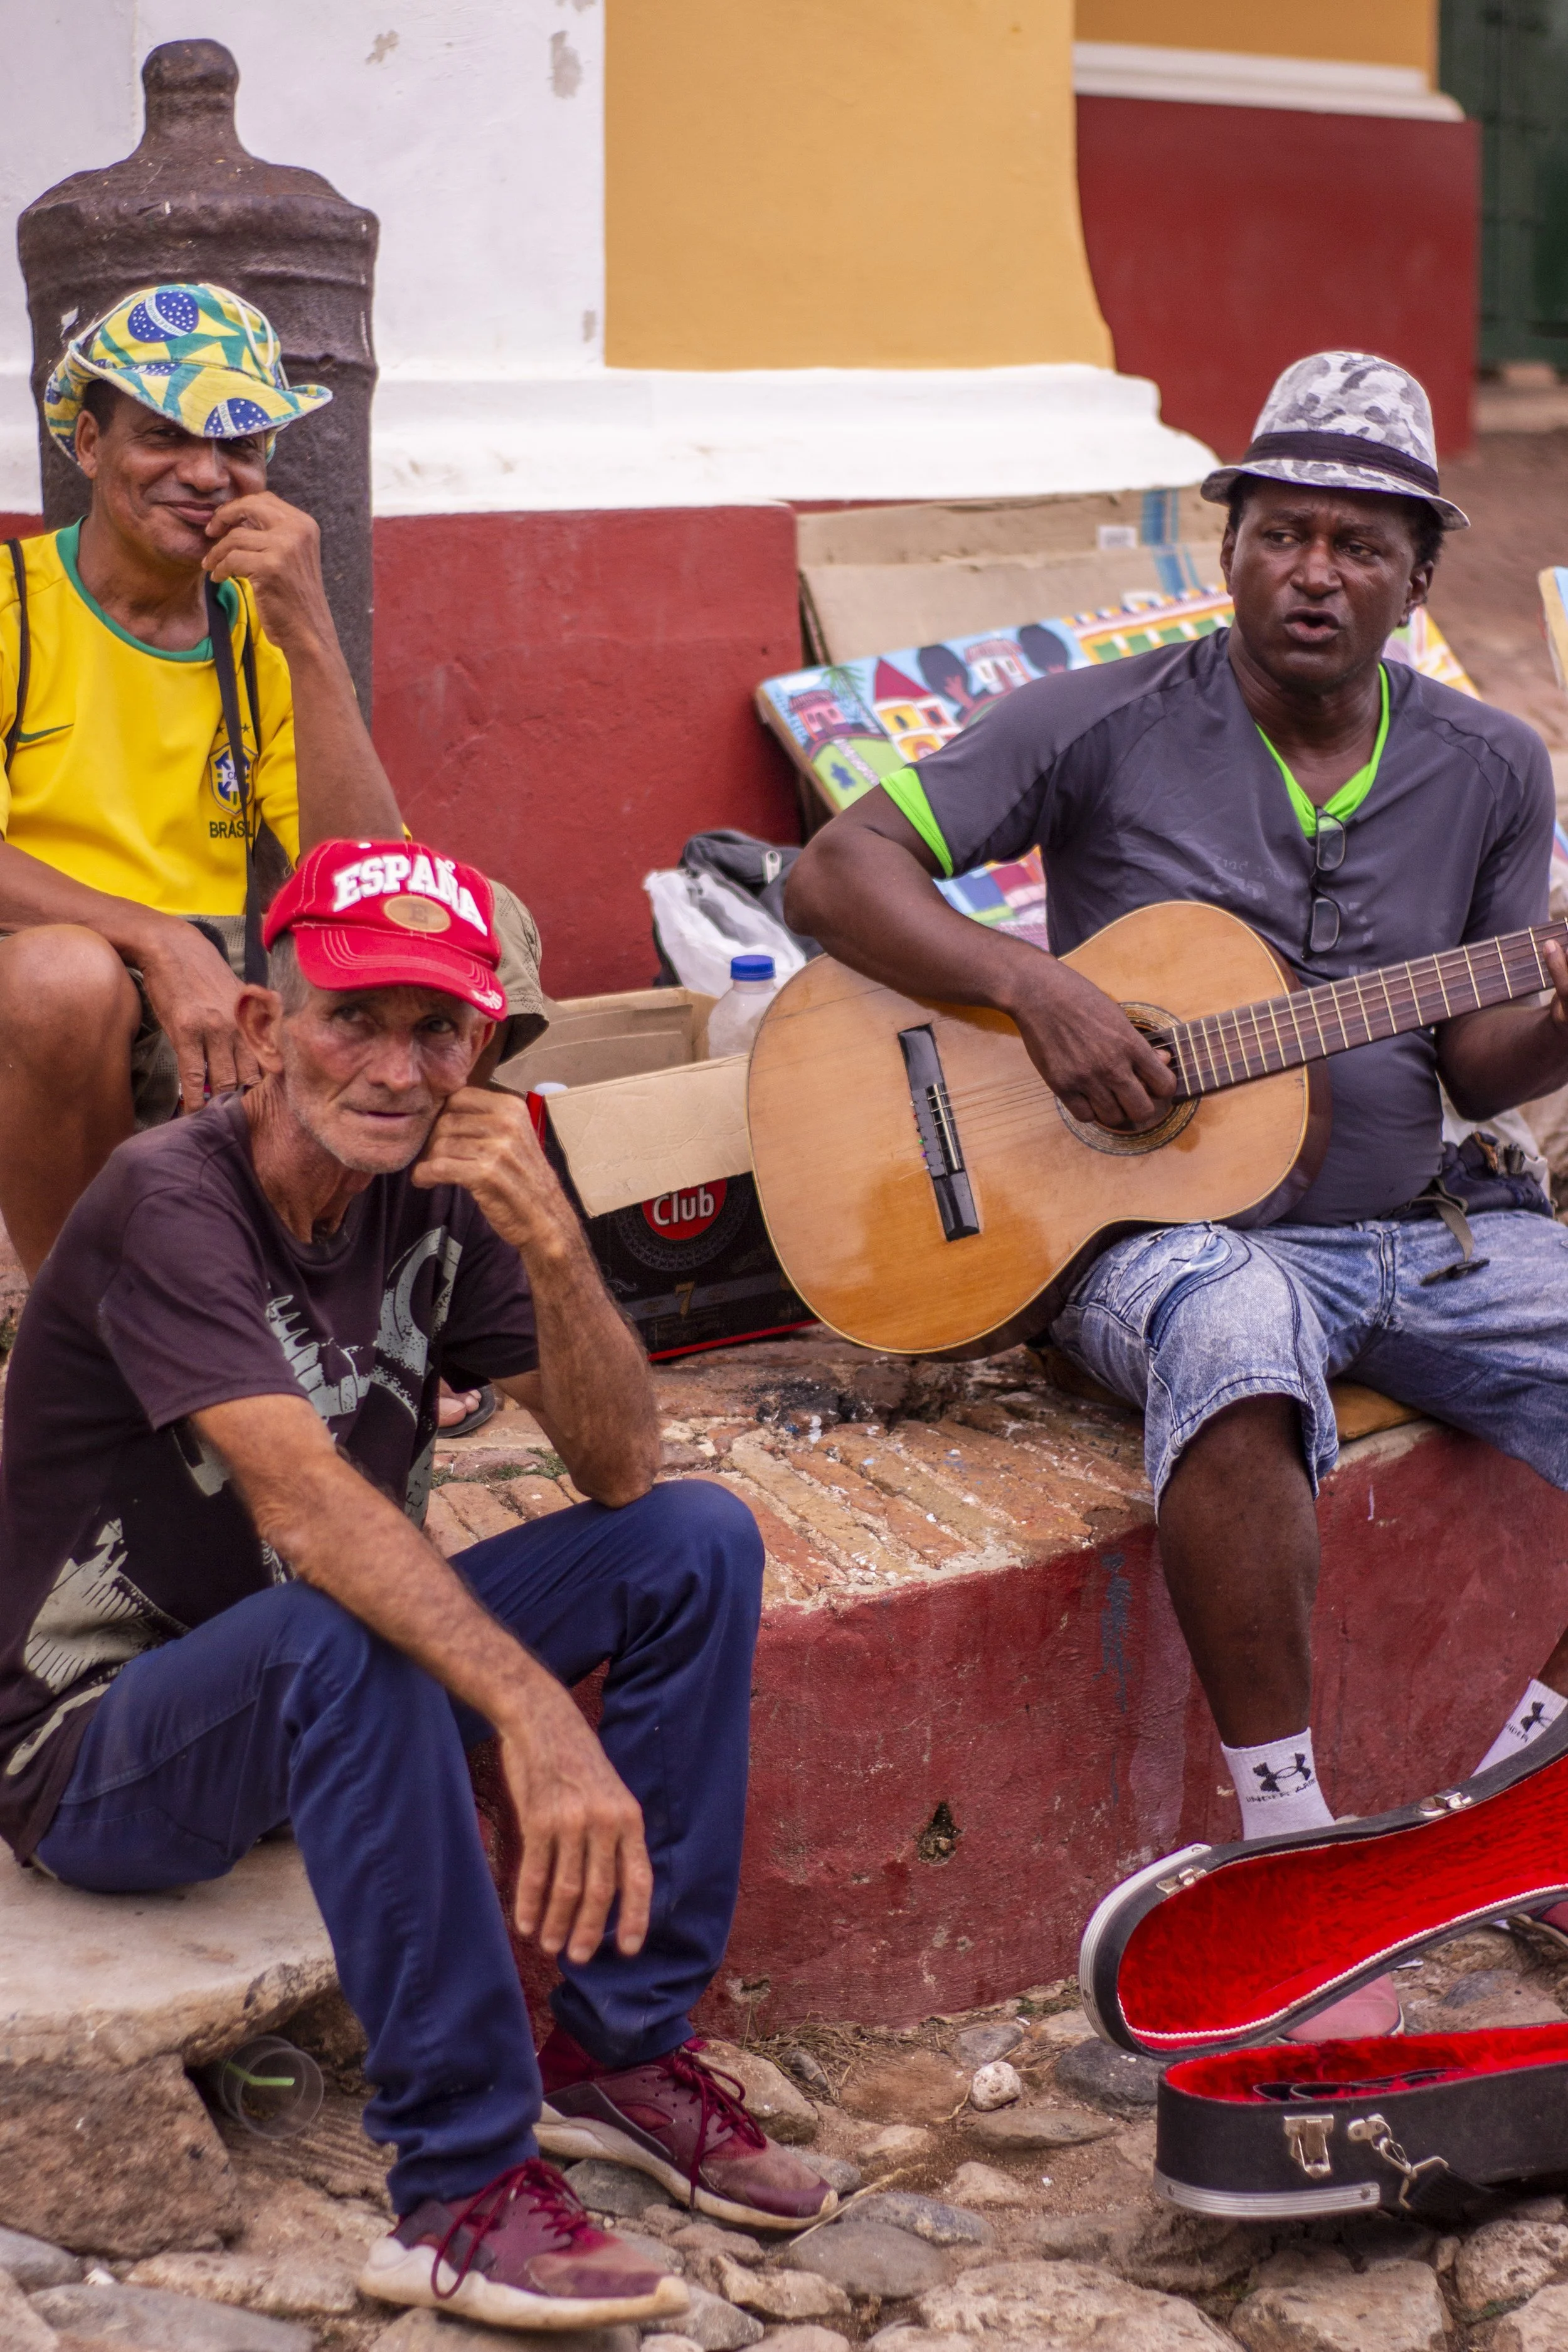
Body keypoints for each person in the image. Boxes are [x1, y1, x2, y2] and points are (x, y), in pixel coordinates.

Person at [786, 351, 1568, 2033]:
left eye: (1359, 546)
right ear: (1226, 549)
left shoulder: (1495, 767)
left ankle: (1518, 1807)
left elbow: (1481, 1061)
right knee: (1229, 1337)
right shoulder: (1099, 715)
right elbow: (832, 867)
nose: (1313, 571)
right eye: (1281, 532)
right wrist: (1034, 988)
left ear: (1419, 576)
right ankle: (1285, 1845)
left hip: (1420, 1230)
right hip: (1162, 1230)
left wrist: (1562, 1006)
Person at [0, 839, 831, 2329]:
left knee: (693, 1539)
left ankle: (619, 2055)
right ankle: (454, 2190)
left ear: (483, 1048)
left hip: (315, 1695)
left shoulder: (444, 1187)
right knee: (350, 1614)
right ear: (264, 1028)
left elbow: (621, 1469)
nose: (393, 1069)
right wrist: (533, 1715)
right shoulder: (167, 1199)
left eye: (434, 1029)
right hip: (98, 1752)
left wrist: (558, 1248)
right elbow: (311, 1510)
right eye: (350, 1017)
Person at [0, 281, 539, 1431]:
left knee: (473, 918)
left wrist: (306, 627)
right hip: (50, 984)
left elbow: (369, 866)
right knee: (61, 976)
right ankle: (88, 1335)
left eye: (238, 442)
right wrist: (149, 939)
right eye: (165, 433)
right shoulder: (13, 609)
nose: (205, 472)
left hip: (233, 974)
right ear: (90, 442)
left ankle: (402, 1298)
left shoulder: (255, 632)